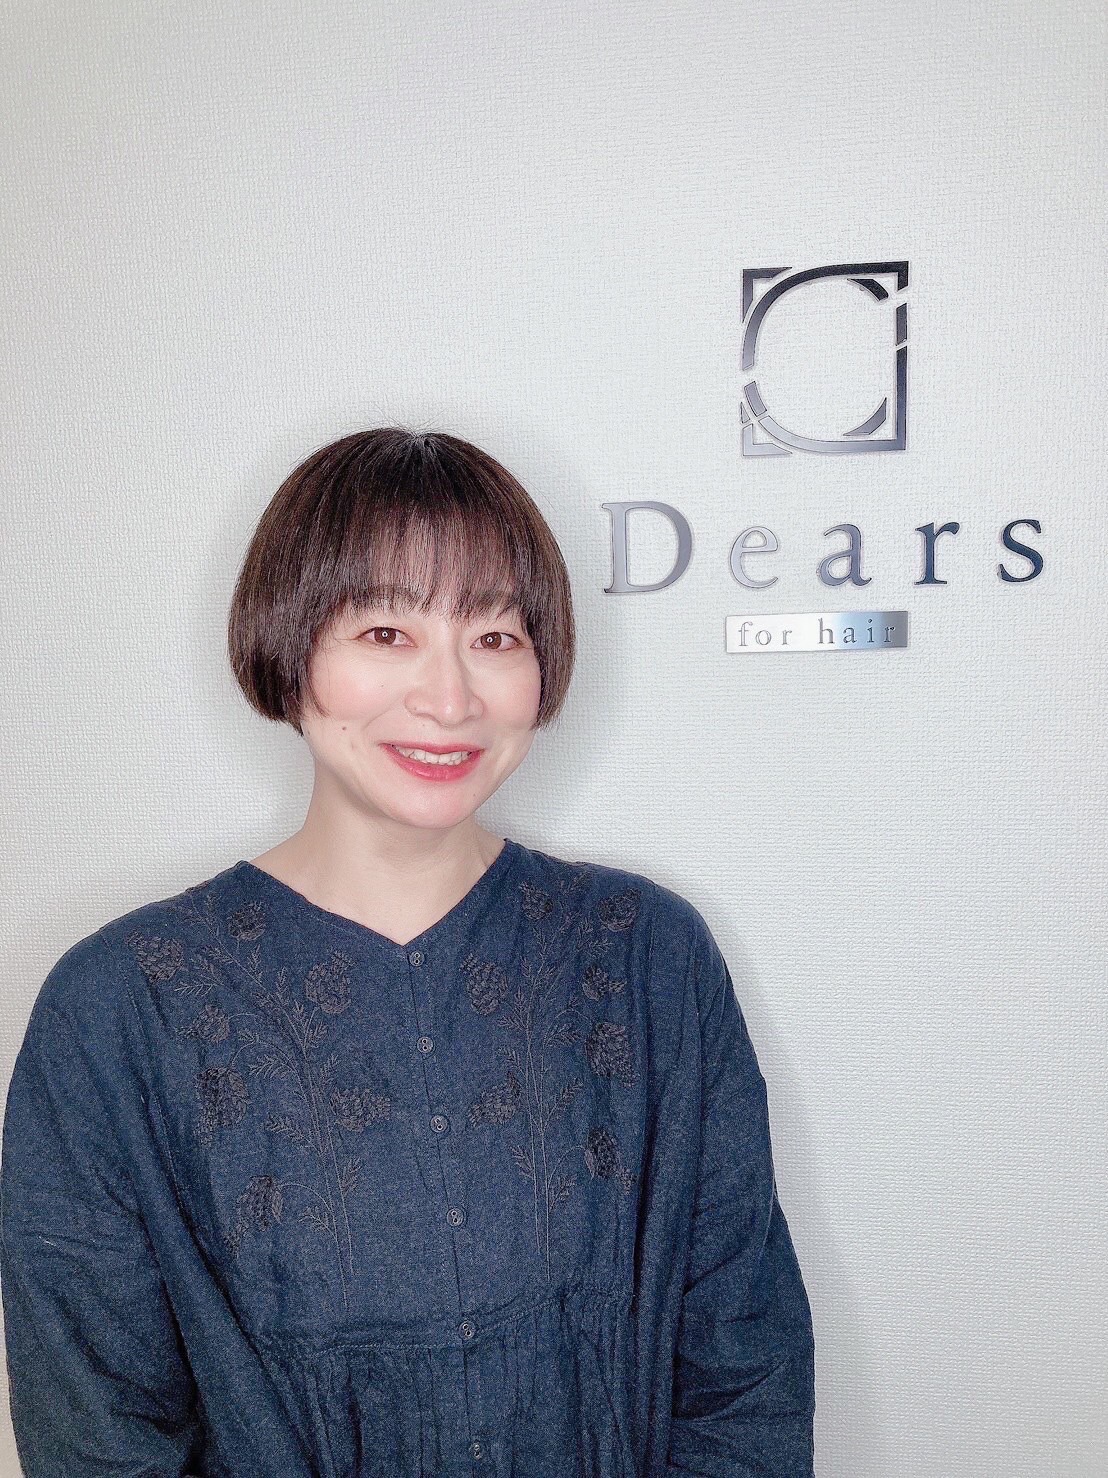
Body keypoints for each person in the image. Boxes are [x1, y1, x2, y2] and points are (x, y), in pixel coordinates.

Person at [0, 427, 815, 1476]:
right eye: (385, 631)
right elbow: (95, 1430)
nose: (450, 698)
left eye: (496, 636)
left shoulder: (648, 954)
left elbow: (744, 1371)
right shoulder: (120, 1006)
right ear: (288, 645)